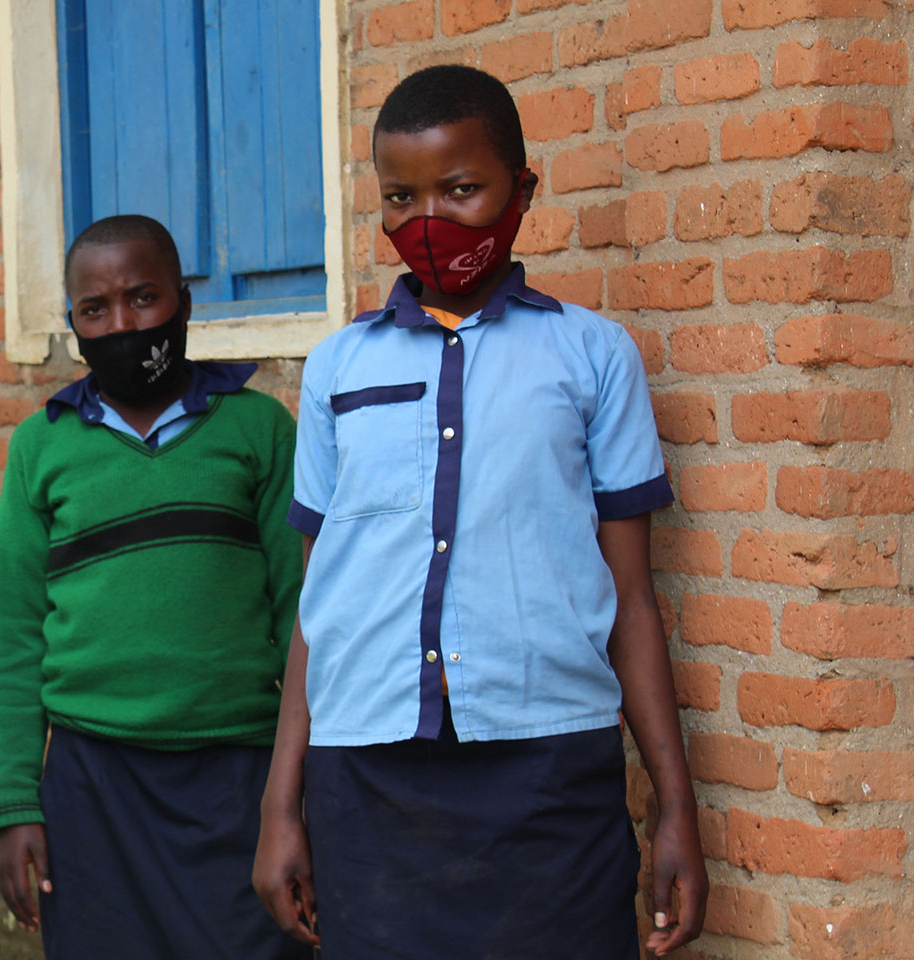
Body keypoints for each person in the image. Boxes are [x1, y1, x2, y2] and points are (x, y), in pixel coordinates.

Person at [252, 64, 709, 959]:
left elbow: (632, 600)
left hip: (549, 771)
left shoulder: (592, 357)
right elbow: (319, 608)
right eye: (400, 196)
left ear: (521, 191)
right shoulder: (336, 370)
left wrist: (674, 805)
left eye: (462, 190)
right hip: (369, 777)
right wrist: (281, 805)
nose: (431, 220)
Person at [0, 215, 309, 960]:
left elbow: (304, 616)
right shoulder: (43, 446)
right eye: (95, 310)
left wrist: (294, 791)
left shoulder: (258, 429)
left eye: (143, 298)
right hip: (92, 785)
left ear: (186, 302)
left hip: (237, 777)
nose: (122, 324)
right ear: (72, 324)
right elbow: (15, 639)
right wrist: (10, 803)